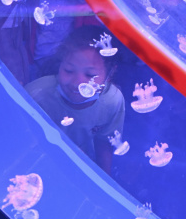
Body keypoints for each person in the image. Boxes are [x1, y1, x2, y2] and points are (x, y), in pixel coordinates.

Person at [25, 26, 126, 173]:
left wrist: (105, 176)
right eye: (69, 71)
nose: (77, 83)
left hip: (80, 165)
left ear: (110, 73)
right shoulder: (37, 94)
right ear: (60, 64)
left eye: (90, 75)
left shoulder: (112, 101)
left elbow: (105, 142)